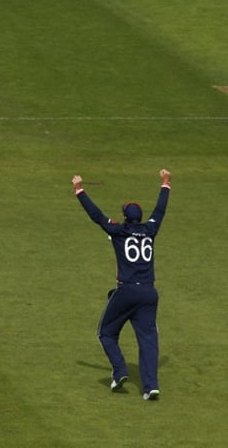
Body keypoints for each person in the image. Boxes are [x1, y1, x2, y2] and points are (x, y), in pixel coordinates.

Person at [72, 169, 171, 401]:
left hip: (127, 290)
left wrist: (79, 190)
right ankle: (151, 386)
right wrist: (165, 184)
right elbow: (160, 211)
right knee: (148, 340)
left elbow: (97, 215)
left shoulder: (118, 231)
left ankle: (120, 371)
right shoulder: (150, 229)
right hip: (149, 292)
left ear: (126, 217)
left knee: (106, 332)